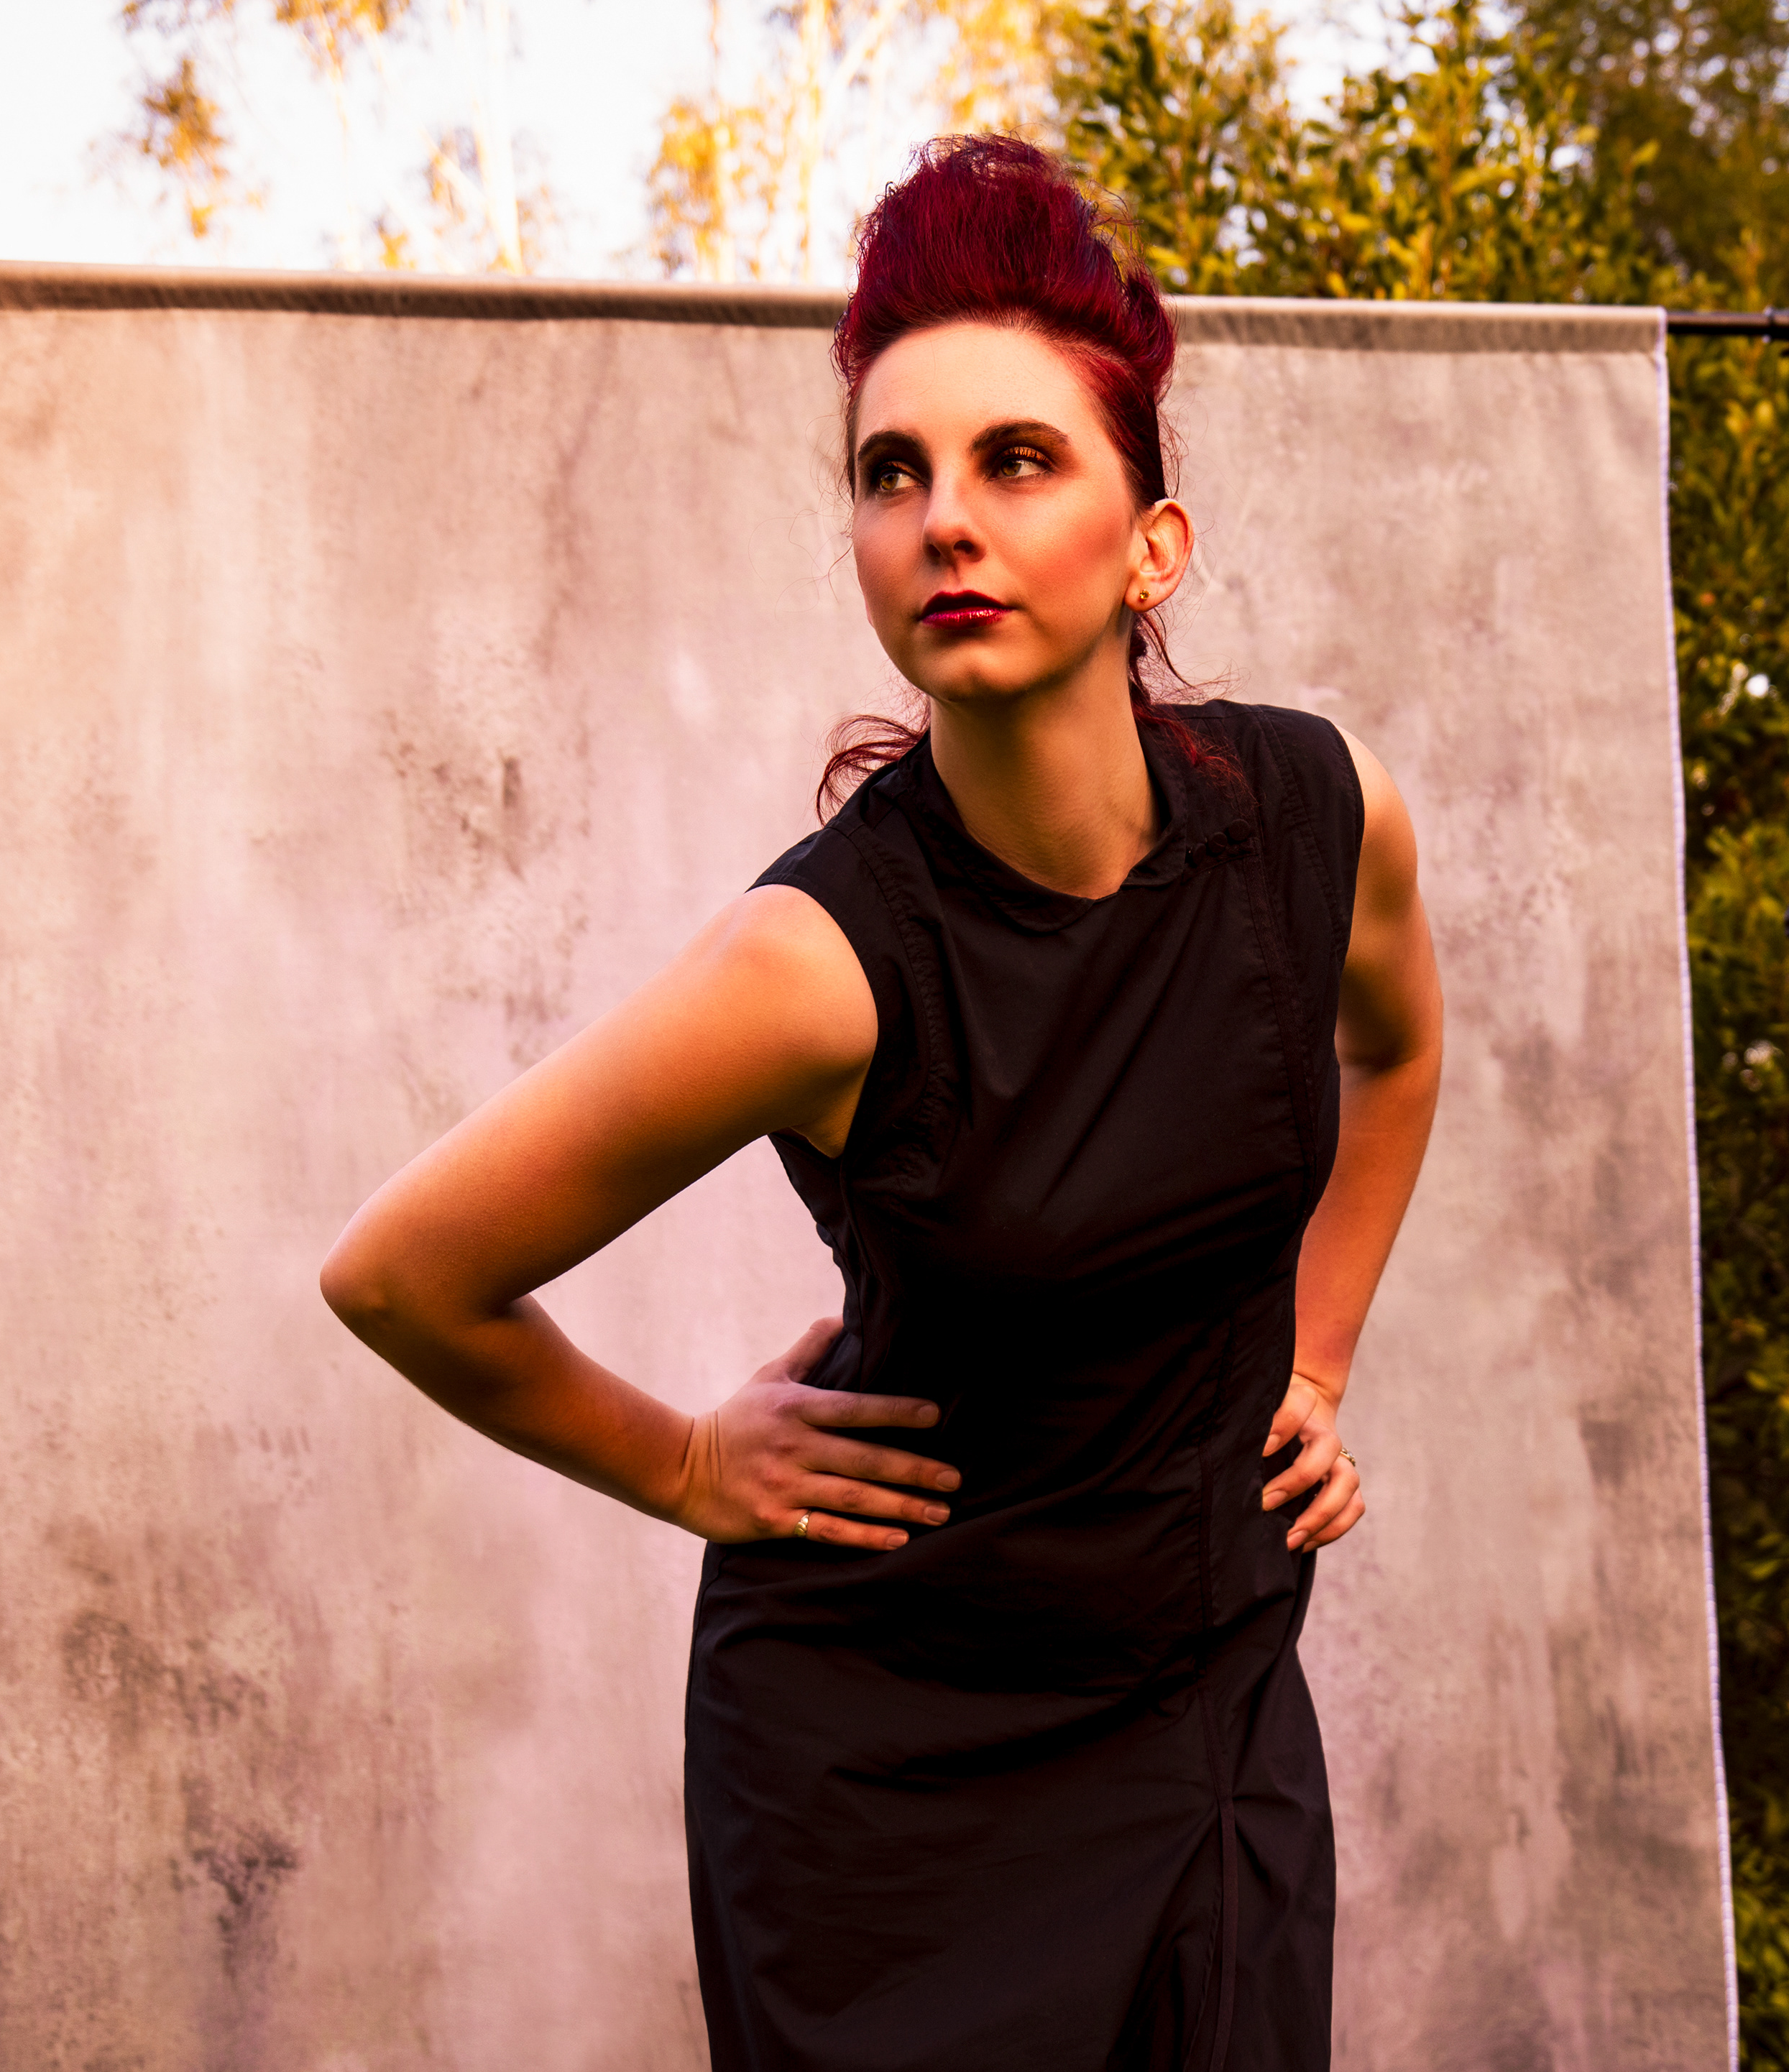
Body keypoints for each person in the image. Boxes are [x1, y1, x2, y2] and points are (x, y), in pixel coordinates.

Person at [319, 135, 1443, 2071]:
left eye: (1017, 460)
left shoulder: (1314, 822)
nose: (944, 522)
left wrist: (1317, 1364)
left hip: (1207, 1706)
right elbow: (402, 1273)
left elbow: (1398, 1052)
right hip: (888, 1783)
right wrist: (689, 1463)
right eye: (891, 473)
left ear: (1152, 542)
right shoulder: (819, 963)